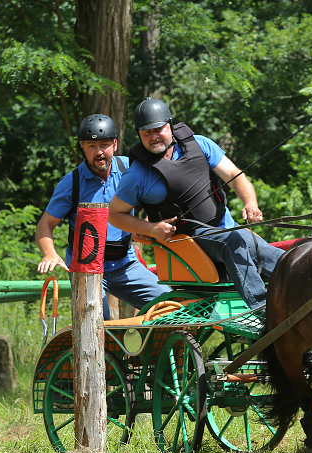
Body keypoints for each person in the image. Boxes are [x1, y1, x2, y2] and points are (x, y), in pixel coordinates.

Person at [108, 98, 283, 310]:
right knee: (234, 240)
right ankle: (265, 311)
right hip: (188, 241)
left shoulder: (200, 144)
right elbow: (115, 214)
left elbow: (234, 175)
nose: (154, 137)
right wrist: (151, 229)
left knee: (263, 249)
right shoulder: (137, 174)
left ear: (169, 125)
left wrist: (250, 203)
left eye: (159, 129)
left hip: (228, 228)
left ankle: (305, 292)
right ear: (139, 134)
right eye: (147, 133)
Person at [36, 113, 171, 319]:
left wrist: (150, 222)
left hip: (127, 264)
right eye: (91, 146)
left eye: (105, 145)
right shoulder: (71, 183)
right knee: (97, 323)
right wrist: (50, 253)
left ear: (115, 144)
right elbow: (45, 224)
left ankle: (145, 350)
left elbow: (160, 194)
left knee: (172, 305)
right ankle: (110, 351)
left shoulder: (130, 169)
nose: (99, 152)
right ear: (82, 147)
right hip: (86, 269)